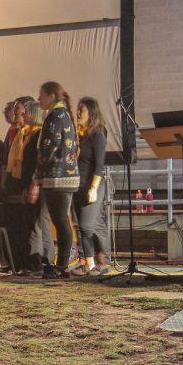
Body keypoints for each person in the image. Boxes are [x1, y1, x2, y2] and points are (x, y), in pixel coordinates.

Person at [34, 82, 80, 278]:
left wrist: (37, 174)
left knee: (60, 221)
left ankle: (61, 265)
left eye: (41, 95)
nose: (39, 99)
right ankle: (62, 264)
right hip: (66, 176)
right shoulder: (65, 116)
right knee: (62, 221)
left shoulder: (54, 116)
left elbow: (48, 148)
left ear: (52, 96)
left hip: (56, 176)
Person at [70, 97, 109, 276]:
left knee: (86, 226)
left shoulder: (97, 134)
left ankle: (95, 264)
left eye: (82, 110)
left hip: (92, 185)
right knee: (80, 226)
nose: (78, 113)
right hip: (78, 185)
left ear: (91, 113)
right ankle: (88, 265)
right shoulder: (80, 135)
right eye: (78, 109)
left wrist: (93, 188)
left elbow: (99, 165)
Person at [19, 101, 55, 271]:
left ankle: (44, 259)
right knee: (36, 221)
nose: (22, 115)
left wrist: (35, 184)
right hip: (32, 182)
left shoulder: (40, 134)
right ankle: (38, 260)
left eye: (25, 112)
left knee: (40, 222)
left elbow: (39, 162)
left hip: (40, 184)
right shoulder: (29, 135)